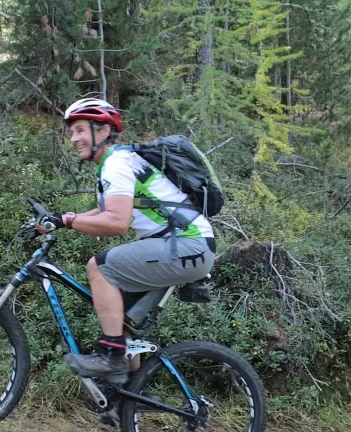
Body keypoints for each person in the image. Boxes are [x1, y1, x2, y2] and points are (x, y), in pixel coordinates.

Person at [35, 97, 216, 385]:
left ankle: (111, 357)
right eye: (71, 132)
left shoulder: (116, 164)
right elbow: (105, 212)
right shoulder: (118, 161)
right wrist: (61, 219)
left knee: (99, 267)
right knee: (123, 325)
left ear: (103, 131)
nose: (73, 139)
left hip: (186, 244)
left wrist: (67, 221)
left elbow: (117, 223)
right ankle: (132, 396)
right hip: (187, 246)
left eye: (80, 130)